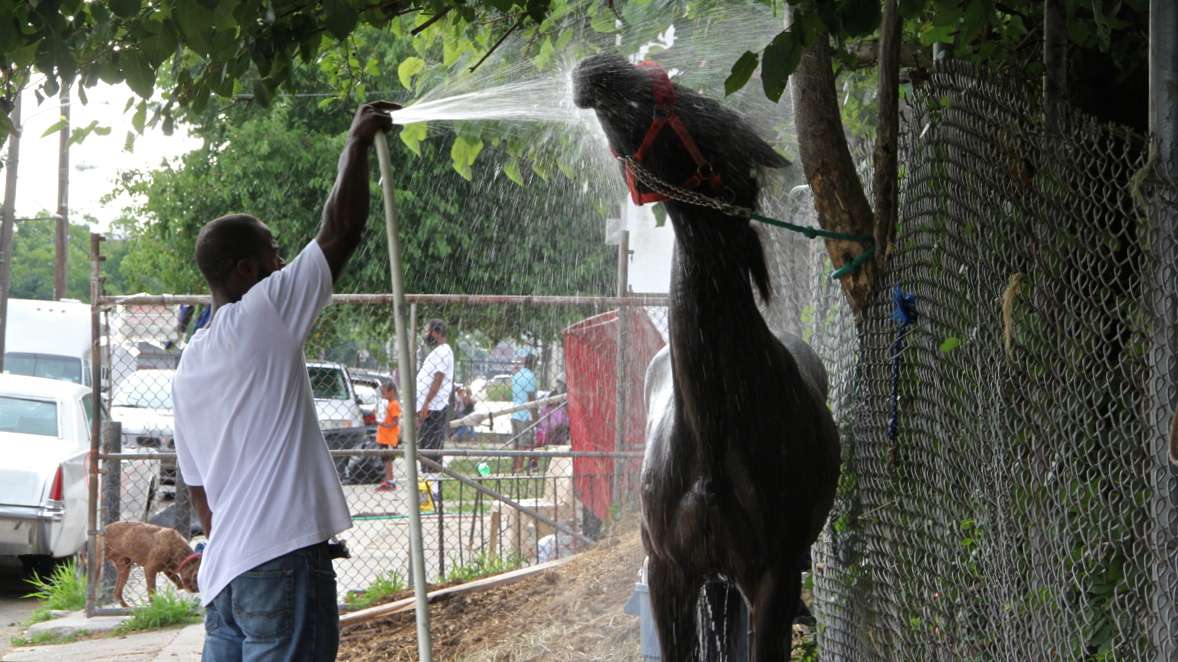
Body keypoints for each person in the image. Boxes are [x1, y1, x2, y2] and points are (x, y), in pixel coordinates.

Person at [171, 101, 397, 661]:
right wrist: (357, 142)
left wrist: (227, 544)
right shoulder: (263, 314)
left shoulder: (188, 365)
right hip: (282, 564)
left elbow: (200, 492)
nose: (282, 260)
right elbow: (341, 230)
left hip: (225, 579)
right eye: (273, 250)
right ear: (246, 270)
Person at [416, 319, 454, 482]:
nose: (426, 335)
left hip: (434, 409)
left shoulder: (443, 351)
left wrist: (426, 403)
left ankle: (432, 486)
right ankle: (428, 487)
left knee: (431, 451)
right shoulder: (438, 351)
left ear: (435, 332)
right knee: (425, 449)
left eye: (427, 331)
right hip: (430, 409)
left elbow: (438, 379)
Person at [510, 354, 538, 473]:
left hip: (514, 413)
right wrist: (536, 416)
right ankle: (519, 468)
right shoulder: (530, 377)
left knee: (516, 443)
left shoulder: (516, 375)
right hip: (524, 415)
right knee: (523, 443)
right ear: (533, 364)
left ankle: (515, 465)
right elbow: (531, 398)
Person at [375, 380, 400, 492]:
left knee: (388, 460)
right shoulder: (386, 404)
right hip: (383, 438)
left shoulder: (394, 404)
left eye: (385, 393)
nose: (383, 395)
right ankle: (388, 479)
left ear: (392, 392)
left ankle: (391, 481)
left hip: (389, 439)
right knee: (385, 460)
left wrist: (385, 425)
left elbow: (395, 422)